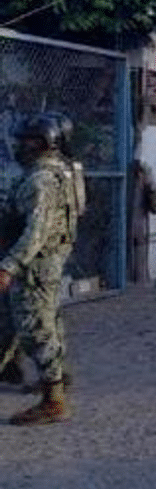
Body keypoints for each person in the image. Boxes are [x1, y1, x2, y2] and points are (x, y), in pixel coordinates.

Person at [0, 112, 84, 425]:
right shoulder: (59, 172)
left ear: (45, 143)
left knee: (36, 328)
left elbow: (34, 231)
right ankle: (57, 377)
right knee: (46, 319)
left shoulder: (41, 180)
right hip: (47, 260)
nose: (22, 146)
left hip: (34, 264)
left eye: (29, 141)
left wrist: (9, 266)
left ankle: (54, 400)